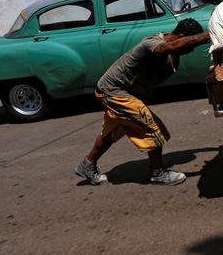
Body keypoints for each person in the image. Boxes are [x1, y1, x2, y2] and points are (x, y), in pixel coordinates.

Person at [74, 18, 211, 186]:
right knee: (153, 128)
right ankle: (157, 173)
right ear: (181, 36)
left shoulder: (172, 52)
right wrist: (210, 34)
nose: (190, 51)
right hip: (114, 92)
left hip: (119, 92)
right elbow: (174, 46)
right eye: (189, 46)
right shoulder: (152, 44)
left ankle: (87, 165)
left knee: (111, 133)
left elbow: (176, 47)